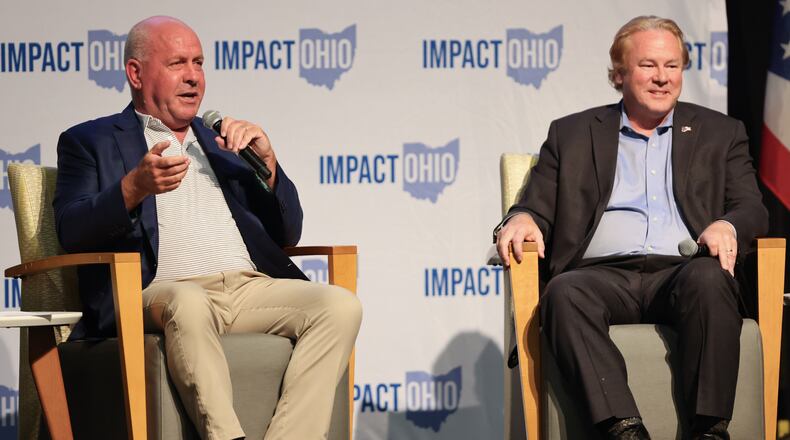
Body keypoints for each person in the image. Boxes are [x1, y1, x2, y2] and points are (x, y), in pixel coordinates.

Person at [53, 15, 362, 440]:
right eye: (178, 63)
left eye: (199, 63)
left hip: (246, 287)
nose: (194, 77)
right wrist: (132, 189)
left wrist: (268, 166)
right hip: (160, 292)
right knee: (188, 299)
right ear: (136, 73)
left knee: (339, 306)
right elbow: (70, 229)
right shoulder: (90, 140)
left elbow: (287, 233)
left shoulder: (222, 141)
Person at [495, 15, 767, 440]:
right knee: (565, 292)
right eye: (648, 66)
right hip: (603, 275)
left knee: (711, 280)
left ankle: (711, 430)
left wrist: (728, 225)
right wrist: (522, 218)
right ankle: (623, 429)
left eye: (672, 66)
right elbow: (533, 207)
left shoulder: (721, 132)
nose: (662, 78)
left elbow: (752, 207)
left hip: (684, 270)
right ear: (620, 74)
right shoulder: (571, 133)